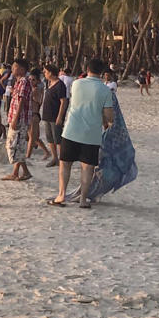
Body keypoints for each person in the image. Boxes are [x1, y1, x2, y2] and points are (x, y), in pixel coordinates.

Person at [48, 58, 114, 208]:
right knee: (87, 168)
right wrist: (107, 120)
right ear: (102, 72)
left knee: (65, 164)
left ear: (87, 69)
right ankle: (83, 199)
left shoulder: (76, 83)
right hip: (91, 134)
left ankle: (61, 195)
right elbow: (109, 115)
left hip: (71, 130)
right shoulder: (105, 90)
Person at [2, 58, 33, 181]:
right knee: (17, 145)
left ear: (21, 69)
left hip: (20, 118)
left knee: (14, 145)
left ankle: (20, 172)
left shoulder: (24, 82)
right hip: (16, 117)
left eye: (15, 67)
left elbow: (21, 101)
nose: (12, 69)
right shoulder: (18, 82)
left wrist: (15, 118)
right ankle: (20, 172)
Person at [41, 64, 68, 167]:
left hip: (55, 115)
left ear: (51, 73)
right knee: (50, 138)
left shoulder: (60, 85)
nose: (44, 73)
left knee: (58, 139)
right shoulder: (50, 83)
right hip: (47, 115)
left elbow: (63, 102)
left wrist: (60, 117)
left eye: (46, 72)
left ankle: (62, 159)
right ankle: (54, 158)